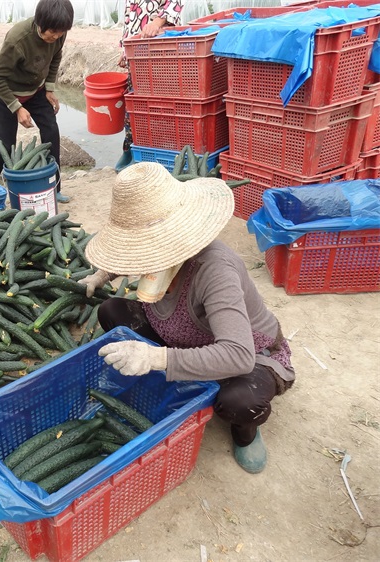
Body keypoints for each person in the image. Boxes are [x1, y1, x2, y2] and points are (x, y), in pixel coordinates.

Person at [80, 162, 295, 474]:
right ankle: (177, 375)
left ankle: (246, 433)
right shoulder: (155, 255)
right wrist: (102, 275)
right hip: (181, 335)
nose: (141, 255)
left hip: (247, 354)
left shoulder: (215, 270)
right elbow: (132, 254)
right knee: (111, 310)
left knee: (239, 401)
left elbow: (238, 355)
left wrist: (155, 357)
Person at [0, 0, 74, 204]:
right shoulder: (18, 39)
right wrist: (17, 108)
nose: (56, 37)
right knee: (5, 146)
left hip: (36, 89)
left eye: (61, 33)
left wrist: (49, 88)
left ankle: (54, 187)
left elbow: (56, 57)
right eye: (53, 32)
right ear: (40, 22)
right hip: (8, 92)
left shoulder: (59, 32)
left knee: (51, 132)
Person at [115, 0, 185, 171]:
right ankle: (132, 151)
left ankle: (160, 155)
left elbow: (175, 3)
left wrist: (157, 22)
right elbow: (131, 15)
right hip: (136, 51)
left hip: (159, 48)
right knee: (134, 105)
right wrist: (125, 48)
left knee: (158, 106)